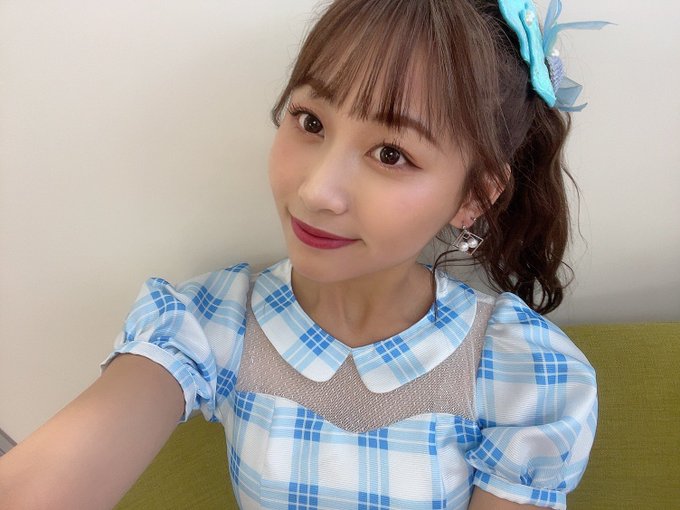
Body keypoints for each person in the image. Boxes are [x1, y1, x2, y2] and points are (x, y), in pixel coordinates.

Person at [0, 0, 603, 508]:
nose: (316, 192)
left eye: (391, 154)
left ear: (473, 197)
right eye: (310, 121)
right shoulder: (209, 324)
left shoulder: (518, 372)